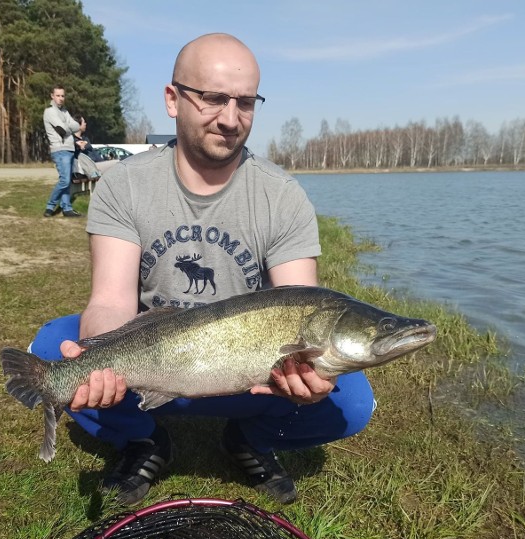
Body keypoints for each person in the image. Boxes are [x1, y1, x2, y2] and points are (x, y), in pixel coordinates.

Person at [28, 33, 375, 506]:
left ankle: (249, 437)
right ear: (173, 100)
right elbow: (110, 300)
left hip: (248, 374)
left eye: (246, 103)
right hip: (150, 355)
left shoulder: (282, 195)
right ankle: (146, 439)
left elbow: (301, 302)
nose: (231, 119)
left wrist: (308, 378)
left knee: (352, 402)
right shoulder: (124, 186)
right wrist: (99, 363)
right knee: (50, 348)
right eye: (213, 98)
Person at [42, 85, 83, 218]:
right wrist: (71, 126)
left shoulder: (65, 112)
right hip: (60, 150)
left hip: (69, 149)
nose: (60, 98)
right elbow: (63, 130)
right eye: (58, 95)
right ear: (52, 96)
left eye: (62, 96)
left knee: (67, 180)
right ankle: (50, 206)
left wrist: (70, 126)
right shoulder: (50, 112)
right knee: (65, 180)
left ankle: (67, 208)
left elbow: (77, 126)